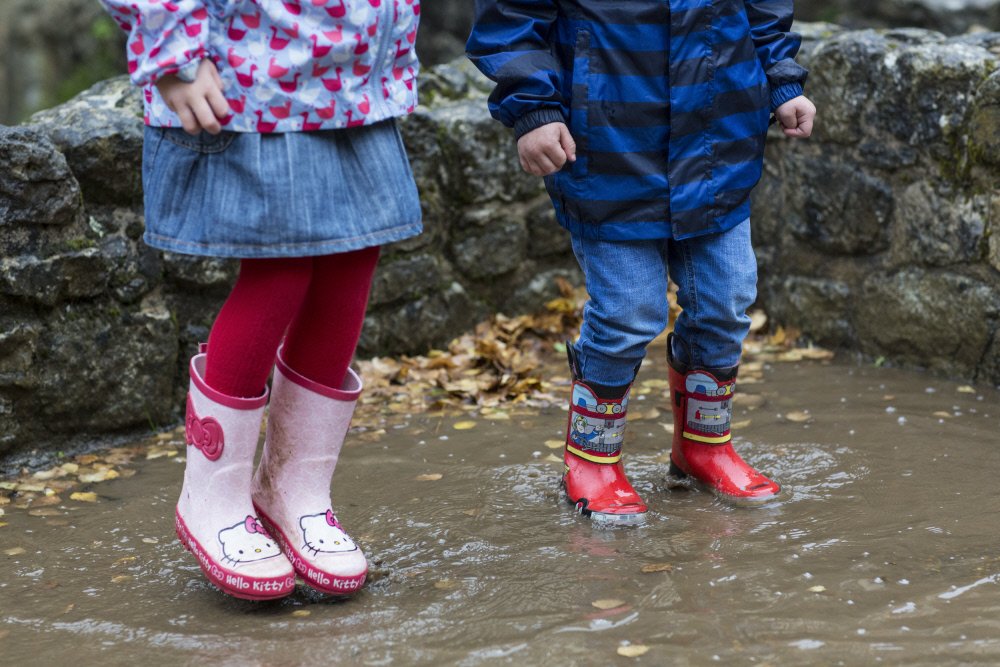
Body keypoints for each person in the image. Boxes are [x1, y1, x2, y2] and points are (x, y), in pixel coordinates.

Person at [99, 0, 422, 598]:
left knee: (352, 261)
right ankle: (213, 495)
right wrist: (172, 52)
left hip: (355, 81)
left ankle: (294, 490)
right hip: (256, 78)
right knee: (281, 269)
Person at [468, 1, 815, 525]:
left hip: (718, 141)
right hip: (605, 145)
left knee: (726, 302)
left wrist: (783, 78)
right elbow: (511, 17)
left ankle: (704, 447)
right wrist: (533, 109)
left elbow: (763, 9)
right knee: (629, 312)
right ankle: (592, 460)